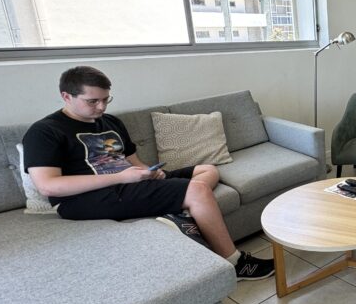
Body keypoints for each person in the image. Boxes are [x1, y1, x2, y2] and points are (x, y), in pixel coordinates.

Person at [22, 65, 275, 280]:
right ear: (66, 96)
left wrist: (149, 173)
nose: (101, 107)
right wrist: (123, 177)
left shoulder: (111, 123)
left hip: (128, 183)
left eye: (106, 99)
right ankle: (235, 262)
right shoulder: (45, 131)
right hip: (87, 198)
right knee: (197, 189)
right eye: (92, 101)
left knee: (207, 169)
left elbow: (134, 161)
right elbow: (48, 186)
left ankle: (179, 210)